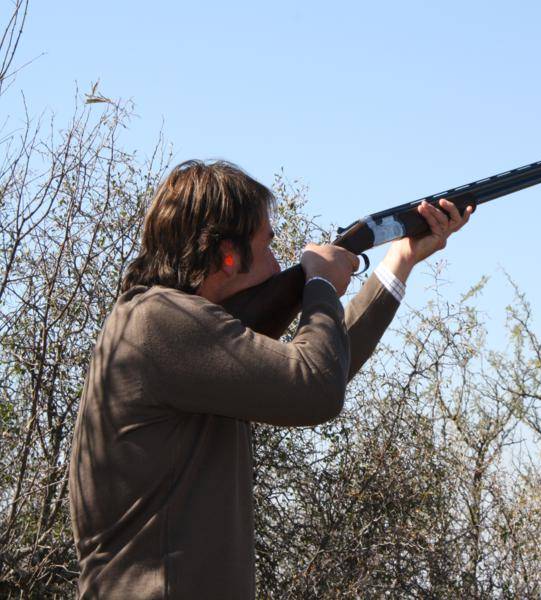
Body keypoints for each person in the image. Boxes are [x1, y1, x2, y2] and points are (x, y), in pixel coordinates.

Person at [68, 159, 472, 598]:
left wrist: (401, 260)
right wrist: (319, 284)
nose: (278, 264)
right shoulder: (157, 321)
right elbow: (314, 386)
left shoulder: (164, 326)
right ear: (227, 256)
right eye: (266, 247)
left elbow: (326, 369)